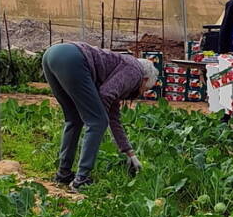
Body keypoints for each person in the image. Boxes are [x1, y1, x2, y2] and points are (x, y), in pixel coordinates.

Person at [41, 41, 158, 189]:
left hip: (52, 54)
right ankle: (81, 180)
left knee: (74, 119)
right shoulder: (135, 72)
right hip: (73, 58)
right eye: (145, 89)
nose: (142, 93)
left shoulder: (122, 68)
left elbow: (113, 117)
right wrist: (98, 119)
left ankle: (63, 175)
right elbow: (105, 96)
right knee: (97, 122)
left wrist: (129, 153)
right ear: (145, 79)